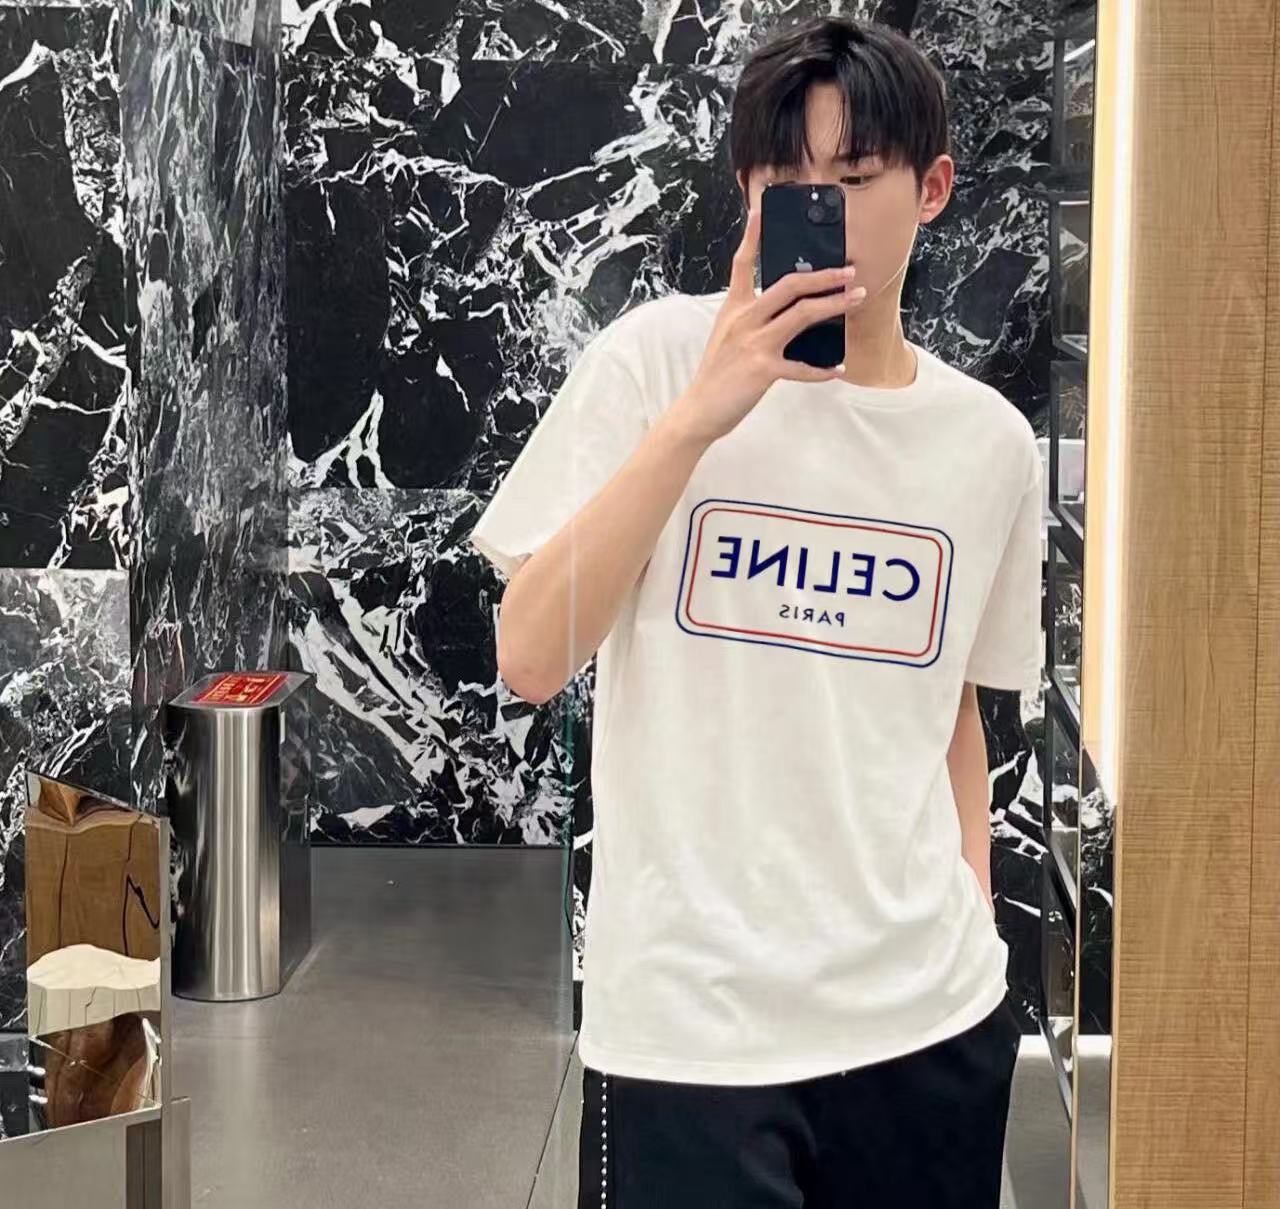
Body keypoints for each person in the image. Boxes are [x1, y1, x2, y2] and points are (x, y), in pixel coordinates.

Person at [468, 15, 1041, 1209]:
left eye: (854, 178)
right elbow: (528, 655)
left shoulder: (985, 443)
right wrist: (699, 416)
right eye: (787, 181)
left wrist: (973, 922)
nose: (819, 209)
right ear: (745, 192)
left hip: (925, 1025)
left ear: (932, 190)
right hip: (691, 1034)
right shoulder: (651, 363)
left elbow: (949, 716)